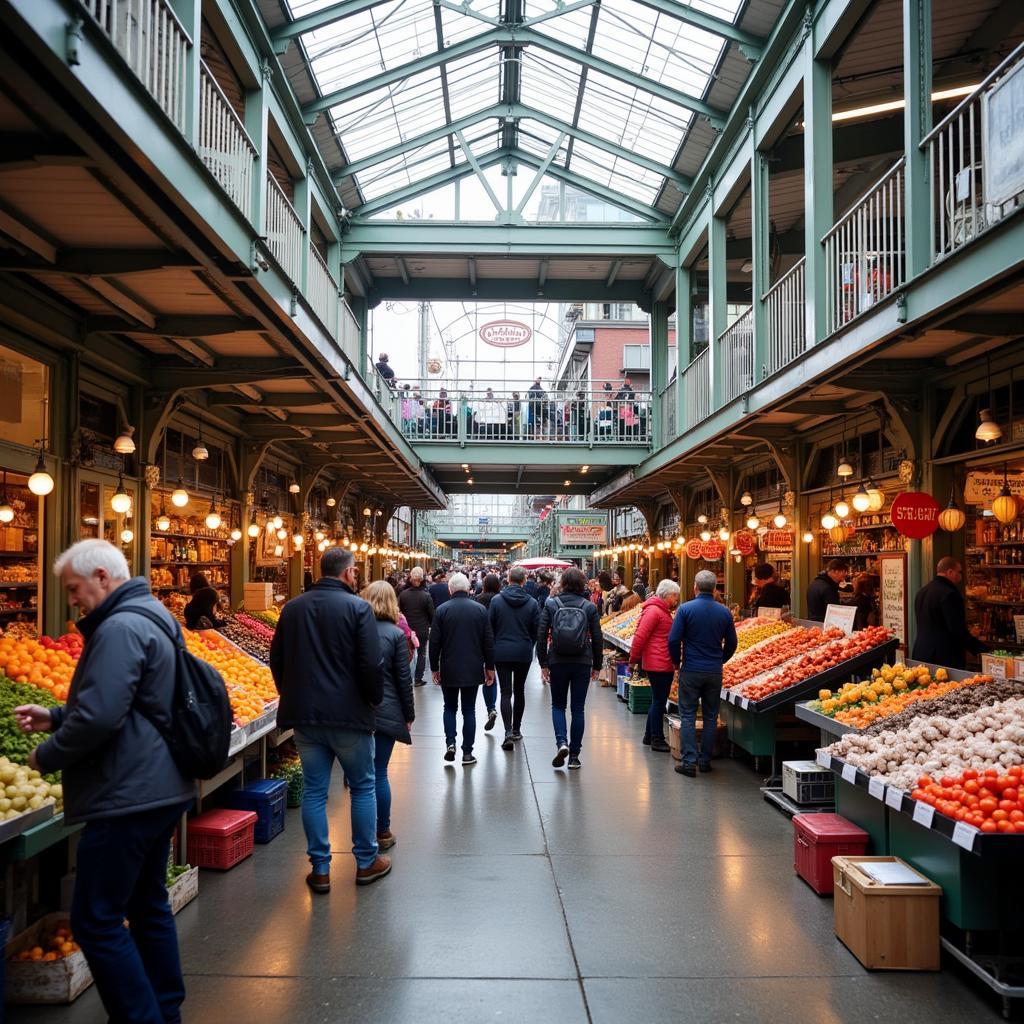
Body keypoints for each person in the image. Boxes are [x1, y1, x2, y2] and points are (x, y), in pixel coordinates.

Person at [14, 539, 194, 1023]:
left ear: (101, 576)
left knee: (95, 920)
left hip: (128, 793)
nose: (72, 599)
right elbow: (130, 700)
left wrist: (46, 753)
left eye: (74, 588)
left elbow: (99, 718)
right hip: (160, 786)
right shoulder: (152, 614)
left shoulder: (119, 627)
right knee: (148, 901)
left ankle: (142, 1017)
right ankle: (165, 1010)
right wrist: (55, 714)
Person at [270, 547, 390, 891]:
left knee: (314, 791)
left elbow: (276, 658)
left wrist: (291, 694)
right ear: (349, 572)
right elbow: (371, 664)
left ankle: (320, 868)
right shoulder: (358, 609)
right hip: (350, 715)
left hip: (306, 718)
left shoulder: (291, 608)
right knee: (363, 786)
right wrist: (373, 699)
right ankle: (366, 862)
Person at [361, 582, 415, 853]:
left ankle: (362, 836)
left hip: (357, 714)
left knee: (361, 778)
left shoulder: (353, 632)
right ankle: (383, 831)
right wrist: (408, 714)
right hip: (387, 711)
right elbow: (404, 680)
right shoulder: (395, 635)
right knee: (379, 773)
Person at [668, 569, 738, 777]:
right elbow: (732, 643)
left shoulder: (685, 609)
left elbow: (673, 639)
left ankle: (689, 762)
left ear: (695, 587)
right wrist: (720, 659)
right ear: (715, 589)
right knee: (710, 716)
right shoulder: (724, 612)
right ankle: (705, 760)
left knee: (687, 715)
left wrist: (677, 663)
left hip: (690, 669)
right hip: (713, 671)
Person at [537, 567, 603, 770]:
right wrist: (597, 665)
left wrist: (543, 663)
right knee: (578, 709)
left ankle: (561, 743)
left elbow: (541, 635)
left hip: (557, 660)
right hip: (582, 661)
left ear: (562, 583)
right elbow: (597, 637)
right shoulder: (589, 606)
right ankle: (574, 756)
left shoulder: (551, 604)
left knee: (558, 706)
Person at [429, 572, 495, 765]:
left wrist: (434, 668)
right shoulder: (480, 610)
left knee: (449, 707)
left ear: (450, 589)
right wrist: (489, 666)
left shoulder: (442, 610)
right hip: (473, 668)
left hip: (449, 667)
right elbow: (488, 642)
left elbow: (434, 643)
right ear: (468, 589)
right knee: (469, 710)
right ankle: (467, 753)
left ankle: (450, 743)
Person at [488, 565, 540, 751]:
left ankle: (508, 731)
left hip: (501, 651)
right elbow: (537, 631)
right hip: (523, 652)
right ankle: (517, 729)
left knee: (505, 692)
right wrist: (529, 643)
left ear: (508, 580)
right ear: (524, 581)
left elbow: (490, 628)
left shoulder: (496, 601)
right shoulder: (532, 603)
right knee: (519, 691)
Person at [629, 579, 681, 752]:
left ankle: (649, 736)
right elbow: (640, 637)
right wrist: (633, 660)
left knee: (657, 700)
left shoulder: (660, 610)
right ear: (669, 595)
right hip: (658, 663)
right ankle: (657, 739)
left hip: (659, 662)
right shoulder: (655, 611)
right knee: (659, 701)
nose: (677, 600)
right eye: (676, 596)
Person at [912, 557, 987, 669]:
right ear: (950, 572)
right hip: (943, 659)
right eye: (959, 572)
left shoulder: (922, 591)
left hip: (921, 653)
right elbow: (957, 629)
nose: (961, 577)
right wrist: (981, 650)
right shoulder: (949, 594)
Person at [399, 566, 434, 686]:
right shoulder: (426, 596)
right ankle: (418, 679)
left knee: (405, 653)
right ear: (422, 579)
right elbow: (431, 614)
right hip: (422, 630)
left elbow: (399, 612)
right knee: (421, 654)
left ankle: (404, 677)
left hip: (406, 630)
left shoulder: (403, 595)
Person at [476, 573, 502, 728]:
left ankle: (490, 708)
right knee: (493, 676)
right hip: (497, 642)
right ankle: (491, 706)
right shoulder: (501, 600)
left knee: (486, 676)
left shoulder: (478, 600)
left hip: (480, 643)